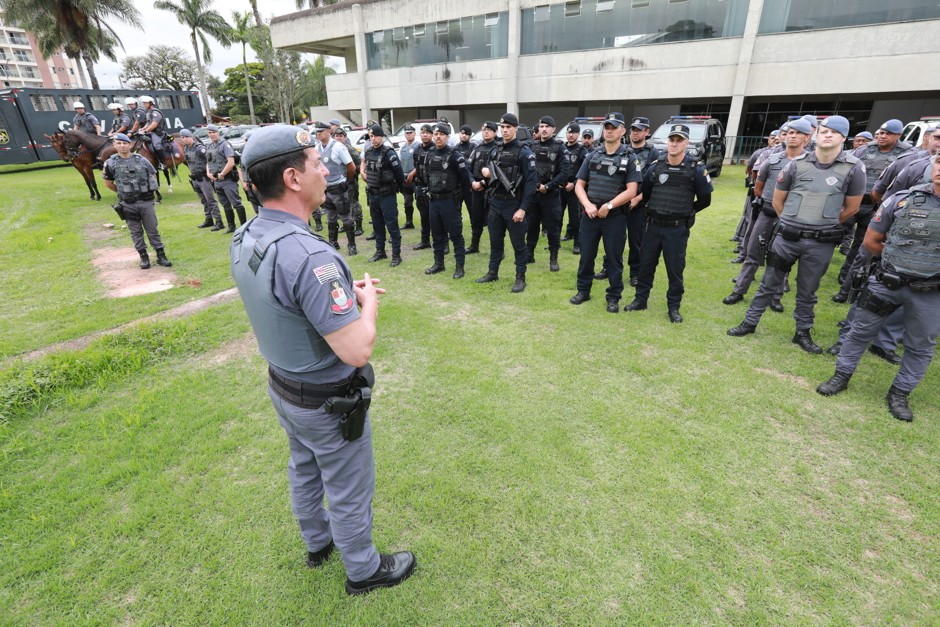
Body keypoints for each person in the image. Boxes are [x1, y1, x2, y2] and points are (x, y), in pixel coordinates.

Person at [230, 124, 416, 595]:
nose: (324, 170)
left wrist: (334, 301)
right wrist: (366, 300)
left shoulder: (249, 234)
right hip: (326, 400)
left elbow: (283, 302)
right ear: (293, 178)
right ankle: (363, 569)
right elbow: (356, 348)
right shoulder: (311, 257)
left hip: (285, 388)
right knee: (348, 486)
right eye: (316, 163)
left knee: (303, 467)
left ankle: (318, 542)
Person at [816, 156, 940, 422]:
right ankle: (841, 375)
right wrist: (898, 264)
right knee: (859, 331)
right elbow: (872, 241)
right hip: (887, 282)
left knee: (920, 346)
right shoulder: (902, 200)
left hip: (931, 293)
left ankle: (899, 393)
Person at [728, 115, 865, 351]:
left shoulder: (854, 168)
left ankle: (802, 332)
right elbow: (778, 201)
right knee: (768, 283)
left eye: (834, 132)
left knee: (807, 290)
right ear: (816, 135)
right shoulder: (796, 164)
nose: (828, 135)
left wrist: (823, 224)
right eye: (824, 131)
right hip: (787, 238)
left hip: (820, 243)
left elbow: (852, 208)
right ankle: (750, 322)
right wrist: (794, 222)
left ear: (844, 137)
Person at [623, 123, 713, 323]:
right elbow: (645, 194)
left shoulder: (695, 169)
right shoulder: (656, 166)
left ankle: (674, 307)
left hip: (676, 229)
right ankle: (640, 300)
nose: (674, 144)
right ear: (667, 142)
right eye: (672, 140)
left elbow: (705, 200)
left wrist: (687, 213)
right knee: (646, 266)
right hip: (653, 226)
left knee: (675, 269)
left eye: (679, 140)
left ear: (686, 143)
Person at [723, 118, 814, 308]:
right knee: (753, 253)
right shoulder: (773, 160)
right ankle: (739, 290)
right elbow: (758, 186)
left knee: (783, 258)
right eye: (790, 133)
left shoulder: (812, 164)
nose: (792, 136)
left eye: (798, 133)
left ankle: (776, 297)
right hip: (767, 212)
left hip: (793, 220)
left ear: (807, 137)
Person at [833, 119, 914, 300]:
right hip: (852, 201)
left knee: (862, 245)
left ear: (899, 136)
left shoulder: (906, 154)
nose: (883, 136)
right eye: (881, 133)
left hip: (876, 206)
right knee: (833, 234)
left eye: (888, 134)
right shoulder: (864, 149)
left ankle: (847, 278)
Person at [569, 112, 641, 312]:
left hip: (615, 218)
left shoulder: (629, 157)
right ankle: (583, 291)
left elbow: (632, 190)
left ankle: (613, 297)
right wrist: (588, 205)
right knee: (586, 256)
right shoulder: (593, 155)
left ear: (622, 131)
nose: (609, 131)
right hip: (590, 216)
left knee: (613, 259)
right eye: (607, 127)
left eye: (613, 127)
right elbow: (579, 185)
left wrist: (608, 206)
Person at [475, 113, 537, 293]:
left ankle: (520, 277)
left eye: (508, 127)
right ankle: (492, 272)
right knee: (495, 242)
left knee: (519, 244)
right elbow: (488, 177)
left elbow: (531, 184)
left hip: (514, 204)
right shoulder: (496, 150)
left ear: (516, 129)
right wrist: (486, 175)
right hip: (495, 203)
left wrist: (523, 209)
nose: (505, 130)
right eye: (502, 127)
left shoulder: (524, 152)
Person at [102, 133, 173, 269]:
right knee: (135, 231)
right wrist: (123, 192)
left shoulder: (142, 160)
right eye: (119, 143)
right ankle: (143, 256)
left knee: (152, 229)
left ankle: (161, 255)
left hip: (146, 201)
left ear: (130, 145)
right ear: (115, 145)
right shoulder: (110, 163)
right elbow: (108, 183)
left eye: (125, 143)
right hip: (128, 204)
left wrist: (145, 188)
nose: (122, 145)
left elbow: (152, 174)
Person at [424, 123, 471, 279]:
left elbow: (465, 180)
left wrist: (459, 201)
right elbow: (426, 175)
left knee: (455, 235)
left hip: (450, 202)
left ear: (448, 137)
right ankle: (439, 264)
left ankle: (459, 267)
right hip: (434, 201)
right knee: (436, 235)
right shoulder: (430, 154)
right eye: (436, 134)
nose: (438, 136)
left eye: (442, 134)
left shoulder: (455, 155)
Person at [526, 116, 570, 272]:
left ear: (554, 129)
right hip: (533, 196)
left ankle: (553, 258)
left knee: (553, 228)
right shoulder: (532, 146)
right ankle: (529, 254)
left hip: (551, 195)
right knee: (531, 227)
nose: (543, 129)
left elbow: (565, 173)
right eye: (541, 126)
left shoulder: (560, 148)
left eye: (547, 126)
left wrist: (548, 186)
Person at [624, 116, 661, 286]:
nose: (635, 133)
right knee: (614, 239)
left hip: (639, 204)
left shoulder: (653, 153)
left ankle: (635, 272)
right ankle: (607, 267)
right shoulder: (623, 150)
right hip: (619, 202)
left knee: (636, 241)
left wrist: (637, 199)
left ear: (647, 132)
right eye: (633, 129)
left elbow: (653, 181)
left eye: (639, 130)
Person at [361, 124, 405, 266]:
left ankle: (396, 255)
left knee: (392, 225)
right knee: (377, 225)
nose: (373, 139)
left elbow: (399, 174)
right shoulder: (368, 152)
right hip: (373, 194)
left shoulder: (389, 153)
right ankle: (380, 251)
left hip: (387, 195)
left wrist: (398, 188)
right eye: (371, 136)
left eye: (375, 136)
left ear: (381, 136)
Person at [314, 121, 358, 256]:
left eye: (321, 131)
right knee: (330, 217)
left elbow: (351, 167)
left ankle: (352, 245)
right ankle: (333, 243)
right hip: (326, 188)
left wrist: (347, 180)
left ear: (329, 131)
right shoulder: (317, 147)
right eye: (317, 132)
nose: (318, 134)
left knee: (346, 217)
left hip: (339, 187)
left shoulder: (338, 147)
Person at [205, 124, 248, 233]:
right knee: (225, 204)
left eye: (214, 132)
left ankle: (244, 226)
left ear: (218, 132)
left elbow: (231, 162)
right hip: (217, 181)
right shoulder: (209, 146)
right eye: (210, 133)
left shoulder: (224, 144)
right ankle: (231, 226)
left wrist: (222, 174)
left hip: (227, 180)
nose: (212, 135)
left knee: (236, 203)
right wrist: (208, 173)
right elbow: (208, 162)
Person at [179, 128, 224, 231]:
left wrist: (210, 173)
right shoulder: (186, 148)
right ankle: (209, 220)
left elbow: (209, 160)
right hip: (195, 178)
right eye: (183, 137)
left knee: (211, 200)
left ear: (191, 137)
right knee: (204, 201)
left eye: (186, 137)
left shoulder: (200, 148)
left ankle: (219, 222)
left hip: (204, 178)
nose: (185, 139)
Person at [465, 121, 499, 255]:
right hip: (476, 189)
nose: (486, 132)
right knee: (476, 218)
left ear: (495, 132)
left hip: (491, 190)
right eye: (484, 129)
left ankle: (496, 249)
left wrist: (483, 183)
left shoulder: (498, 149)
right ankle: (474, 245)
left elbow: (498, 172)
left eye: (489, 130)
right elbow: (468, 167)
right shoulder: (477, 148)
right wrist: (473, 182)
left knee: (493, 221)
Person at [560, 122, 588, 255]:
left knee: (575, 218)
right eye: (569, 132)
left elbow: (585, 171)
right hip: (560, 187)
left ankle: (578, 243)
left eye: (574, 133)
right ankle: (555, 242)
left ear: (578, 134)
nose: (571, 135)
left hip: (574, 189)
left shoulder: (582, 150)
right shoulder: (562, 148)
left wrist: (575, 184)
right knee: (557, 217)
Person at [136, 95, 169, 170]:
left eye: (145, 103)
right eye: (143, 103)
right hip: (151, 132)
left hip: (157, 133)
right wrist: (142, 129)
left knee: (156, 145)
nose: (144, 105)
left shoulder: (155, 112)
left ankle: (163, 163)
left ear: (151, 103)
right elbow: (148, 124)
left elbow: (154, 125)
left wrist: (145, 131)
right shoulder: (148, 113)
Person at [398, 125, 419, 229]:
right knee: (407, 202)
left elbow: (420, 163)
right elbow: (400, 162)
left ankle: (427, 223)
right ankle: (409, 222)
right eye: (407, 133)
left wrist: (412, 174)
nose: (409, 134)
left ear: (415, 134)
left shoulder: (418, 146)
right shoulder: (403, 147)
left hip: (416, 178)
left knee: (421, 201)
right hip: (405, 178)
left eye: (411, 132)